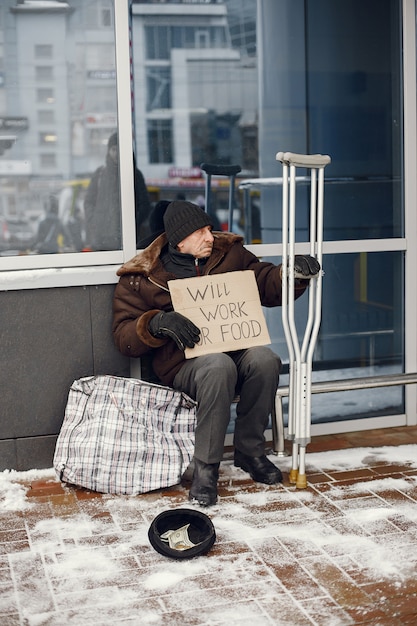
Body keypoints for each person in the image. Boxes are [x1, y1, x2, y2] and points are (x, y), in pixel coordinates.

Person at [112, 200, 320, 507]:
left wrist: (291, 275)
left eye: (210, 228)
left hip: (235, 349)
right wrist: (156, 323)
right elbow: (123, 336)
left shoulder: (230, 254)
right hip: (184, 364)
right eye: (200, 232)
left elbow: (262, 279)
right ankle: (206, 467)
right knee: (217, 365)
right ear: (178, 240)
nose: (210, 236)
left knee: (265, 359)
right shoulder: (143, 275)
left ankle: (250, 451)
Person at [84, 131, 151, 251]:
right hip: (101, 240)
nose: (116, 153)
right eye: (113, 149)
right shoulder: (100, 174)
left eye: (119, 149)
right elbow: (88, 201)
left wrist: (133, 223)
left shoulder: (135, 175)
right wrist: (94, 221)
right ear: (109, 151)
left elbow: (145, 205)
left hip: (128, 240)